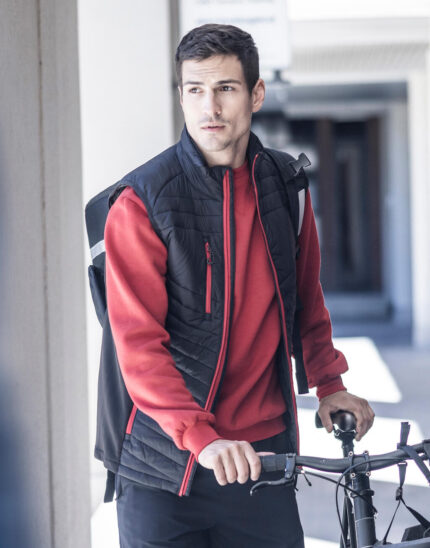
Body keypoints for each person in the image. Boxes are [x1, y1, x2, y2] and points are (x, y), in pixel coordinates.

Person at [104, 23, 375, 548]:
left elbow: (305, 301)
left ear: (256, 94)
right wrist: (199, 437)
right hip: (166, 467)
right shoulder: (143, 202)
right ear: (181, 95)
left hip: (260, 461)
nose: (210, 107)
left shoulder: (287, 186)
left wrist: (329, 383)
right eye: (195, 90)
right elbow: (138, 346)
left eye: (225, 88)